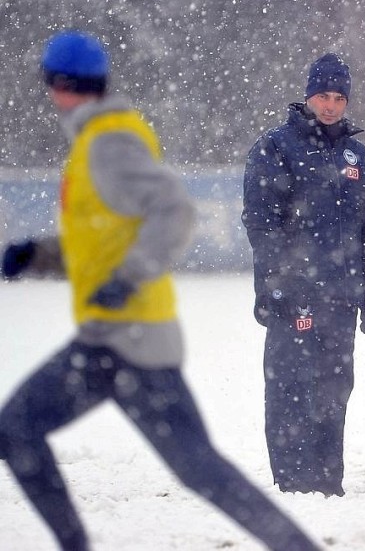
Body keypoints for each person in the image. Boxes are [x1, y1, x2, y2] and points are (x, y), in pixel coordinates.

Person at [0, 31, 319, 551]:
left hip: (128, 343)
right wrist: (37, 255)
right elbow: (101, 241)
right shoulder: (95, 142)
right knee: (198, 469)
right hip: (114, 340)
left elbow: (175, 211)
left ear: (60, 85)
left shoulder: (107, 142)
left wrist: (127, 280)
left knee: (21, 431)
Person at [242, 53, 365, 497]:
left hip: (341, 297)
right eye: (323, 95)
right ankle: (292, 480)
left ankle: (328, 479)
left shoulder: (355, 155)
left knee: (334, 388)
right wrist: (274, 285)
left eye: (339, 97)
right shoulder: (275, 147)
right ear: (308, 96)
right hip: (295, 294)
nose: (330, 105)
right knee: (290, 387)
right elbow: (261, 224)